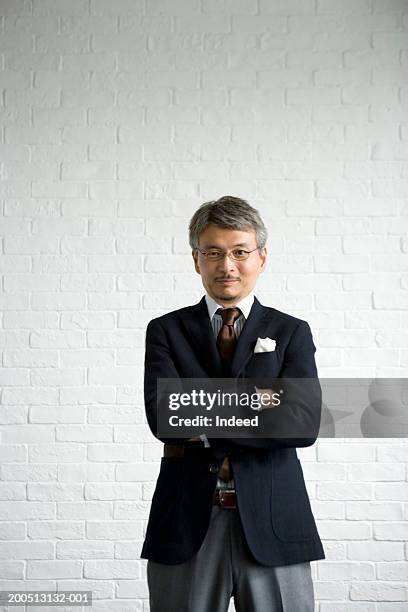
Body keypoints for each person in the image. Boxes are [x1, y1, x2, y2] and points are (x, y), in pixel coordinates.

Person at [141, 196, 325, 612]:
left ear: (261, 257)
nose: (227, 265)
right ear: (196, 260)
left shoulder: (292, 331)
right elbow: (165, 416)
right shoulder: (166, 331)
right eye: (213, 253)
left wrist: (203, 408)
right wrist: (263, 403)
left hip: (274, 520)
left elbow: (302, 424)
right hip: (187, 520)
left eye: (240, 252)